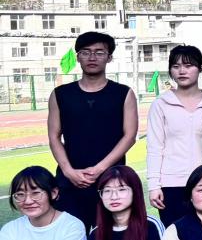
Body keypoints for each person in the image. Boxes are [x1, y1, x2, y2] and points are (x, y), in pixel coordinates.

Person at [47, 30, 138, 224]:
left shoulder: (123, 93)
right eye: (86, 52)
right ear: (78, 57)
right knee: (71, 234)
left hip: (111, 180)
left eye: (99, 52)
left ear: (109, 57)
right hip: (70, 180)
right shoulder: (60, 94)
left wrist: (100, 169)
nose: (92, 57)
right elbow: (54, 136)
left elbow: (129, 136)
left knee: (109, 235)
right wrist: (68, 171)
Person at [146, 44, 202, 226]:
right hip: (171, 184)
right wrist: (154, 186)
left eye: (188, 66)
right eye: (176, 66)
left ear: (200, 69)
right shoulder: (161, 104)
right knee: (176, 236)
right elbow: (155, 147)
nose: (182, 71)